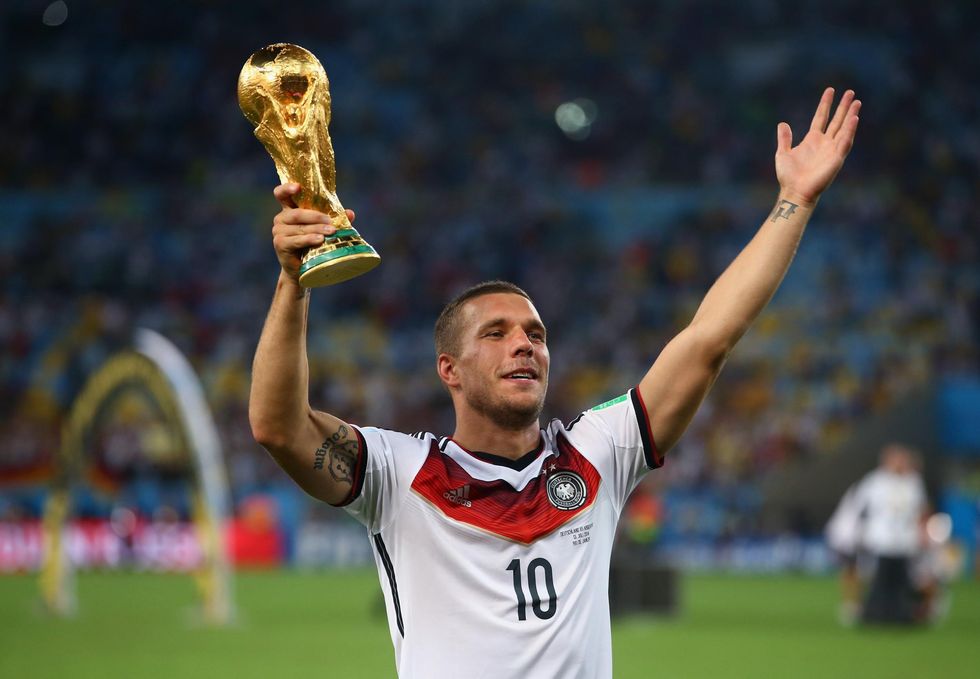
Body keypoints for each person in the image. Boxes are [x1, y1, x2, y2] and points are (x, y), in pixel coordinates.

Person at [249, 88, 861, 678]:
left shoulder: (601, 453)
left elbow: (708, 340)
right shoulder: (396, 474)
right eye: (496, 333)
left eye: (536, 334)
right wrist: (292, 282)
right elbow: (279, 426)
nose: (524, 343)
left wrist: (795, 201)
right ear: (449, 370)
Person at [852, 443, 930, 624]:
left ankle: (902, 614)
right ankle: (874, 614)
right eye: (896, 459)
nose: (900, 463)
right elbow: (862, 507)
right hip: (881, 537)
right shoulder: (875, 481)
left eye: (903, 459)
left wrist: (922, 532)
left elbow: (921, 509)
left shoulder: (913, 482)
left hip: (905, 538)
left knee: (902, 579)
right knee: (881, 578)